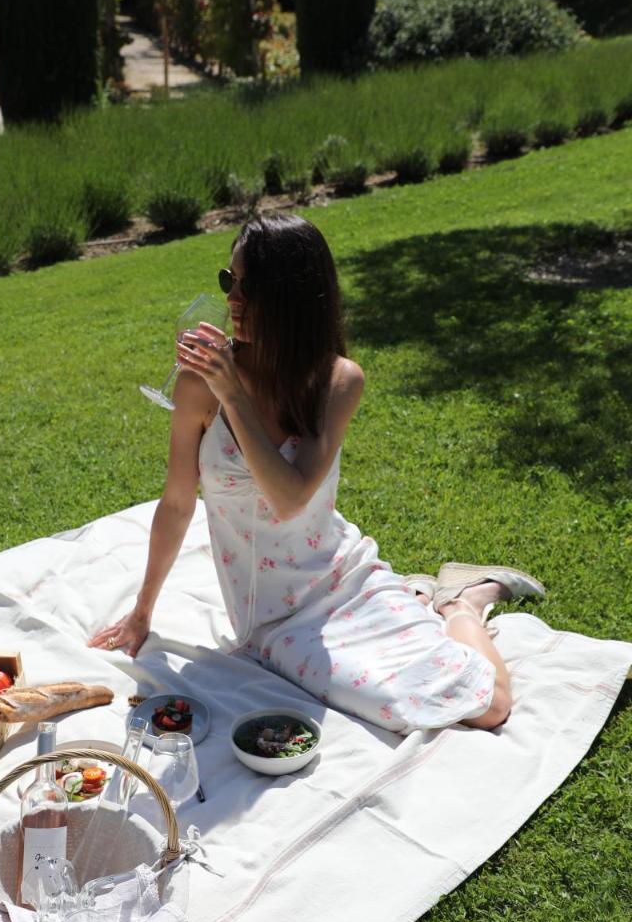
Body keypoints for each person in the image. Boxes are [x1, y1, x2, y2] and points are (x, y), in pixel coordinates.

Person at [89, 215, 544, 733]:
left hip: (340, 574)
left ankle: (460, 601)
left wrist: (232, 393)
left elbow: (290, 499)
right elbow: (176, 503)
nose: (232, 300)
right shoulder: (200, 384)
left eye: (249, 288)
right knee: (405, 704)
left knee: (491, 704)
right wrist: (142, 611)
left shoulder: (338, 381)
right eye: (228, 282)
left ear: (293, 297)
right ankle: (424, 598)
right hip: (275, 619)